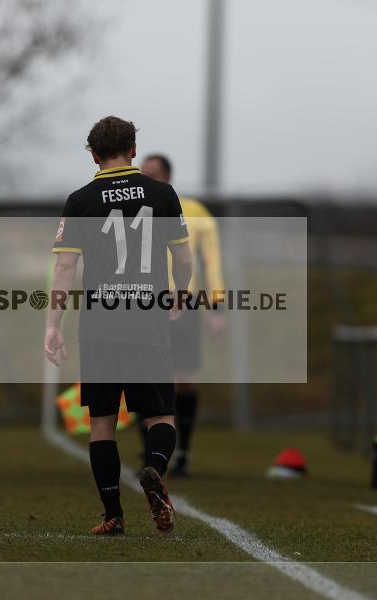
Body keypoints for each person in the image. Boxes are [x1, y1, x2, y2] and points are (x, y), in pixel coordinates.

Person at [45, 116, 193, 535]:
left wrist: (52, 325)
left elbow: (66, 269)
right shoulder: (163, 194)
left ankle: (113, 515)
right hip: (147, 321)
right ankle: (156, 470)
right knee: (161, 416)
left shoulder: (80, 199)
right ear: (132, 150)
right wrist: (181, 292)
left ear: (93, 155)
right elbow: (183, 259)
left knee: (102, 423)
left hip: (99, 324)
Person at [139, 154, 226, 477]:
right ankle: (150, 451)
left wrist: (216, 308)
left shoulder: (195, 212)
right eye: (142, 174)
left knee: (183, 380)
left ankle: (183, 452)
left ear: (167, 176)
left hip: (183, 302)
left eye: (153, 175)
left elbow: (211, 264)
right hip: (142, 303)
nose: (146, 180)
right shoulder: (133, 210)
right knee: (142, 377)